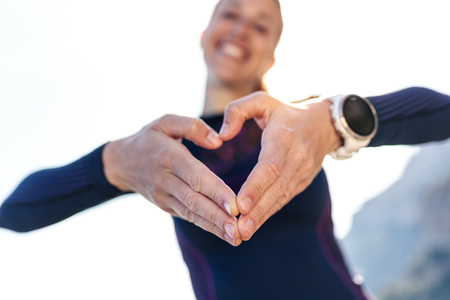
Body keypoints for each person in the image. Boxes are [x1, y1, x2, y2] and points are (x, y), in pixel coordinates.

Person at [1, 0, 450, 299]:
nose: (241, 31)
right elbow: (15, 212)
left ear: (273, 54)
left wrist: (333, 121)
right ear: (205, 32)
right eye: (231, 14)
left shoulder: (294, 123)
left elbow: (441, 113)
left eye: (261, 26)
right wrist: (113, 163)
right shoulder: (162, 155)